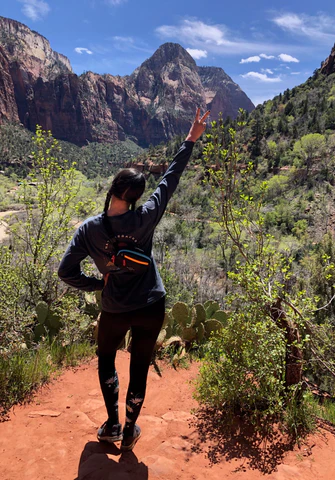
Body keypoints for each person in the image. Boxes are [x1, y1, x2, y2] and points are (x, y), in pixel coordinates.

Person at [58, 108, 210, 451]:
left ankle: (111, 424)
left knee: (107, 362)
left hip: (114, 308)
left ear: (113, 188)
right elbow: (170, 179)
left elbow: (65, 272)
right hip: (151, 305)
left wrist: (98, 285)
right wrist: (190, 140)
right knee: (139, 368)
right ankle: (129, 431)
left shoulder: (89, 230)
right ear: (137, 198)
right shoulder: (146, 217)